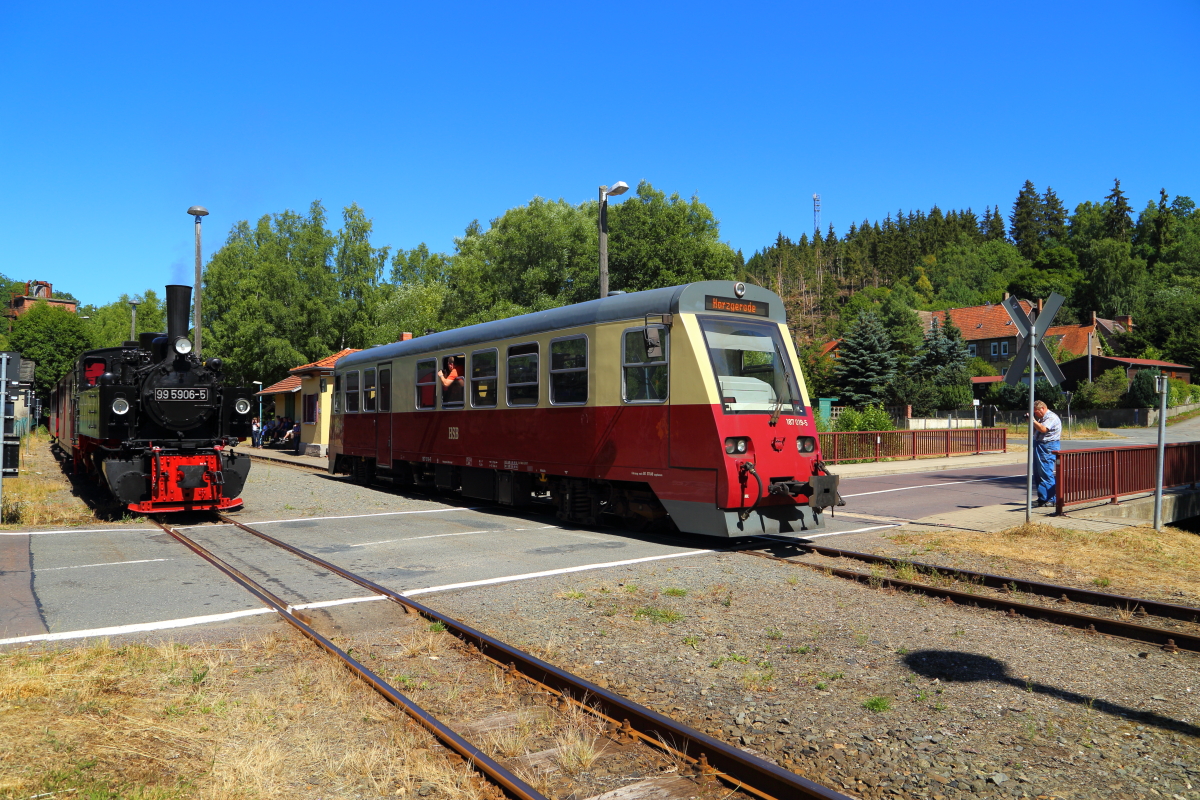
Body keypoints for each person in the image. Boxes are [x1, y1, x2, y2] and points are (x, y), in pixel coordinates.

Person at [1030, 400, 1062, 507]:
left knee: (1046, 472)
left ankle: (1051, 499)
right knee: (1038, 473)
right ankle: (1043, 498)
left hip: (1048, 446)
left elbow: (1043, 429)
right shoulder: (1042, 418)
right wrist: (1033, 422)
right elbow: (1036, 431)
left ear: (1042, 409)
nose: (1035, 414)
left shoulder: (1051, 417)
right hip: (1040, 445)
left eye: (1036, 412)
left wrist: (1033, 420)